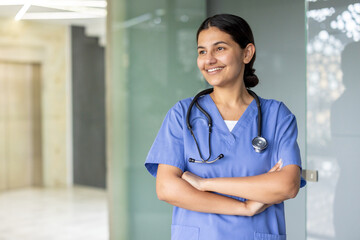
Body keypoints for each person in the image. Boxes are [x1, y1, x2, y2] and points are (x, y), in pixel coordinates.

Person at [145, 14, 306, 240]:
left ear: (247, 53)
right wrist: (244, 207)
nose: (208, 59)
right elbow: (166, 188)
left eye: (219, 49)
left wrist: (204, 183)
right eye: (202, 51)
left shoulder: (277, 116)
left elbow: (287, 185)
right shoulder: (183, 115)